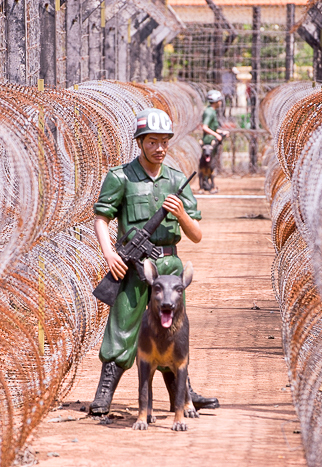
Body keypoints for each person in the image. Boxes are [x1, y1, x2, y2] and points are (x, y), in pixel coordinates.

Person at [89, 107, 220, 416]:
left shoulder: (176, 180)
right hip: (134, 267)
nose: (159, 148)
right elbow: (101, 217)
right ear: (140, 142)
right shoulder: (121, 177)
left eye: (164, 142)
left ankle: (183, 393)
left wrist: (182, 215)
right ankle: (103, 396)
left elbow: (197, 235)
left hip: (170, 270)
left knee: (172, 329)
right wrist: (109, 254)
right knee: (122, 326)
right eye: (152, 142)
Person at [199, 90, 229, 194]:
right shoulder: (209, 112)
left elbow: (212, 127)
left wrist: (220, 132)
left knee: (211, 164)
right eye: (219, 100)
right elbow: (205, 127)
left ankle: (208, 185)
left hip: (211, 140)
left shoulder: (212, 111)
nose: (220, 102)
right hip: (208, 142)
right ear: (215, 101)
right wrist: (216, 135)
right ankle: (206, 185)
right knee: (208, 164)